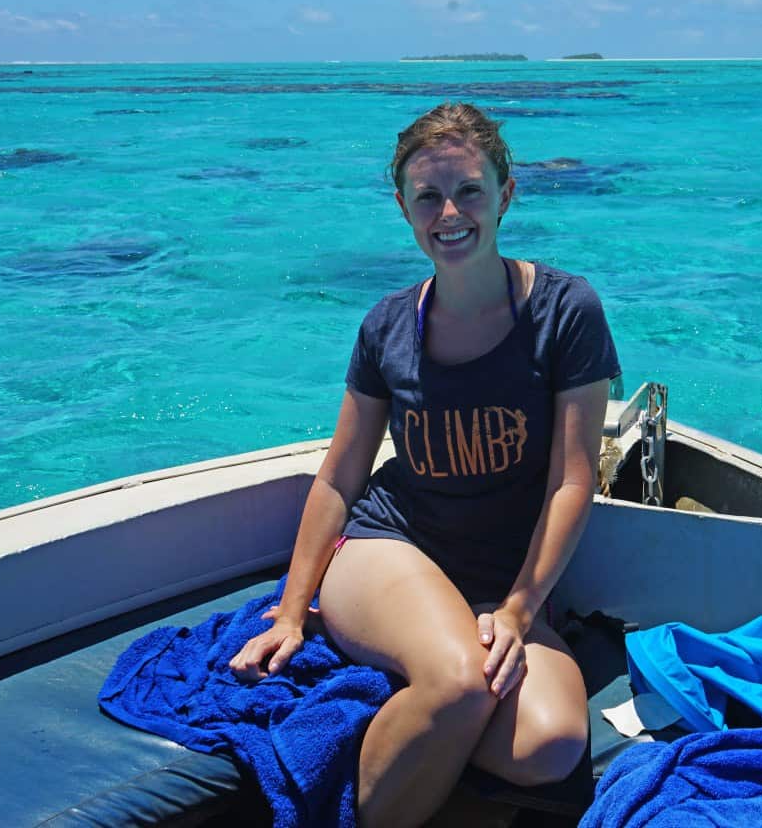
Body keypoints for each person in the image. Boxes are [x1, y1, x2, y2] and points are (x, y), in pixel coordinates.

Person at [229, 102, 620, 828]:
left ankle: (411, 711)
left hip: (503, 583)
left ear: (505, 194)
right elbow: (341, 475)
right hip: (392, 551)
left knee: (550, 744)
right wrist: (292, 610)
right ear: (403, 206)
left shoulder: (566, 310)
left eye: (469, 190)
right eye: (428, 196)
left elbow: (572, 481)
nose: (450, 212)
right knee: (459, 684)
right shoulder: (386, 325)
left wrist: (518, 608)